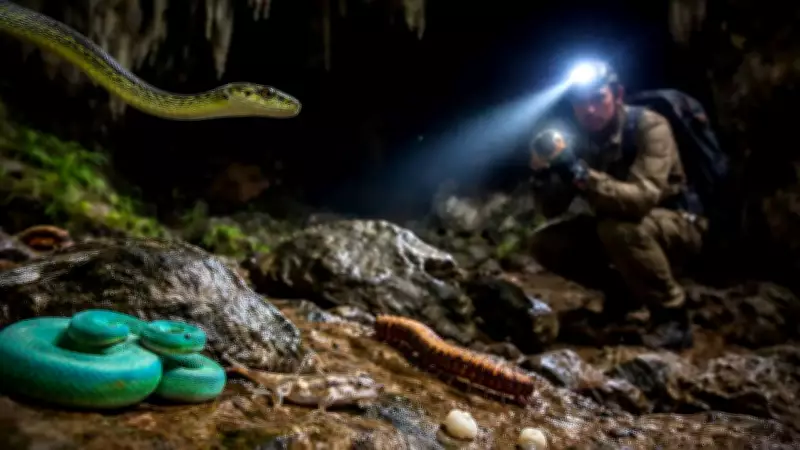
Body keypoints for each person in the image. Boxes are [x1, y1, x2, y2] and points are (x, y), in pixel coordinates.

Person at [526, 62, 710, 348]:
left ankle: (673, 316)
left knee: (617, 229)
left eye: (598, 99)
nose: (589, 110)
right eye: (580, 103)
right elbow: (551, 209)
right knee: (545, 242)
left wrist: (581, 174)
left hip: (679, 222)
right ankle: (623, 297)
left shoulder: (649, 126)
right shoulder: (579, 141)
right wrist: (544, 175)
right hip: (622, 227)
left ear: (617, 95)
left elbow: (641, 199)